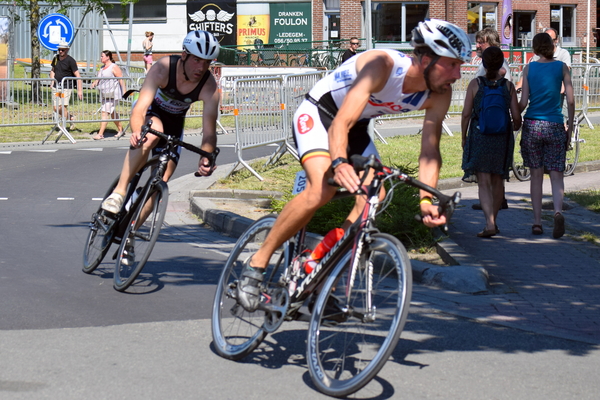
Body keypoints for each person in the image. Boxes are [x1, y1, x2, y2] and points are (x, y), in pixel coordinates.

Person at [235, 19, 472, 312]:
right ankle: (256, 266)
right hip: (322, 114)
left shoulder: (439, 92)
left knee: (375, 198)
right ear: (426, 59)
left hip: (356, 127)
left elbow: (429, 150)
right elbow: (340, 123)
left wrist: (427, 199)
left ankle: (319, 269)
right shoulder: (381, 65)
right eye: (451, 65)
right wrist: (338, 162)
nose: (458, 74)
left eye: (460, 65)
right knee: (321, 188)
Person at [101, 30, 221, 262]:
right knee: (153, 135)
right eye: (197, 59)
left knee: (161, 182)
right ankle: (119, 192)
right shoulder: (164, 67)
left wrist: (206, 157)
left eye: (206, 62)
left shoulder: (209, 86)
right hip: (150, 112)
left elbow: (209, 131)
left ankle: (130, 235)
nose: (201, 66)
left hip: (176, 122)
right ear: (184, 55)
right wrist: (137, 130)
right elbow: (139, 108)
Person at [518, 32, 574, 239]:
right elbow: (570, 100)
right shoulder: (561, 68)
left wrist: (513, 111)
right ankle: (558, 212)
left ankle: (537, 222)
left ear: (534, 48)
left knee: (535, 175)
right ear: (552, 46)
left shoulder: (529, 68)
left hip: (533, 124)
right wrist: (570, 124)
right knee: (557, 173)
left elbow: (523, 102)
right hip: (555, 124)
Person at [461, 47, 521, 238]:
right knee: (498, 181)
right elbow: (517, 117)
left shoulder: (475, 84)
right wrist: (509, 127)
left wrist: (464, 136)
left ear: (483, 63)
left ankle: (489, 223)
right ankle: (493, 221)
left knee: (483, 182)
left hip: (480, 135)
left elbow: (466, 114)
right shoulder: (508, 86)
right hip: (501, 137)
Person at [471, 27, 511, 212]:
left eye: (482, 42)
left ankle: (492, 204)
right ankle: (497, 199)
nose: (478, 45)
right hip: (496, 122)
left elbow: (505, 91)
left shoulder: (501, 66)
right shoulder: (485, 64)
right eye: (478, 41)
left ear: (492, 43)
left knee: (489, 169)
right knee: (495, 167)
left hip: (490, 123)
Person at [90, 50, 126, 140]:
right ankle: (121, 130)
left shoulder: (114, 67)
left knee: (105, 112)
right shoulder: (102, 68)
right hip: (105, 94)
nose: (101, 58)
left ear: (108, 57)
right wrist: (94, 83)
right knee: (112, 112)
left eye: (102, 56)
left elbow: (121, 79)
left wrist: (124, 92)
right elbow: (98, 79)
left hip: (113, 94)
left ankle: (100, 134)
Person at [50, 40, 83, 131]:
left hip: (66, 87)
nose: (60, 51)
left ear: (67, 50)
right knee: (56, 108)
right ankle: (71, 118)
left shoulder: (71, 61)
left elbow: (77, 75)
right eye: (59, 49)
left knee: (62, 106)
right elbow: (52, 70)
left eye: (63, 50)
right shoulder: (56, 58)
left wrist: (80, 90)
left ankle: (63, 128)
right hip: (57, 87)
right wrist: (52, 81)